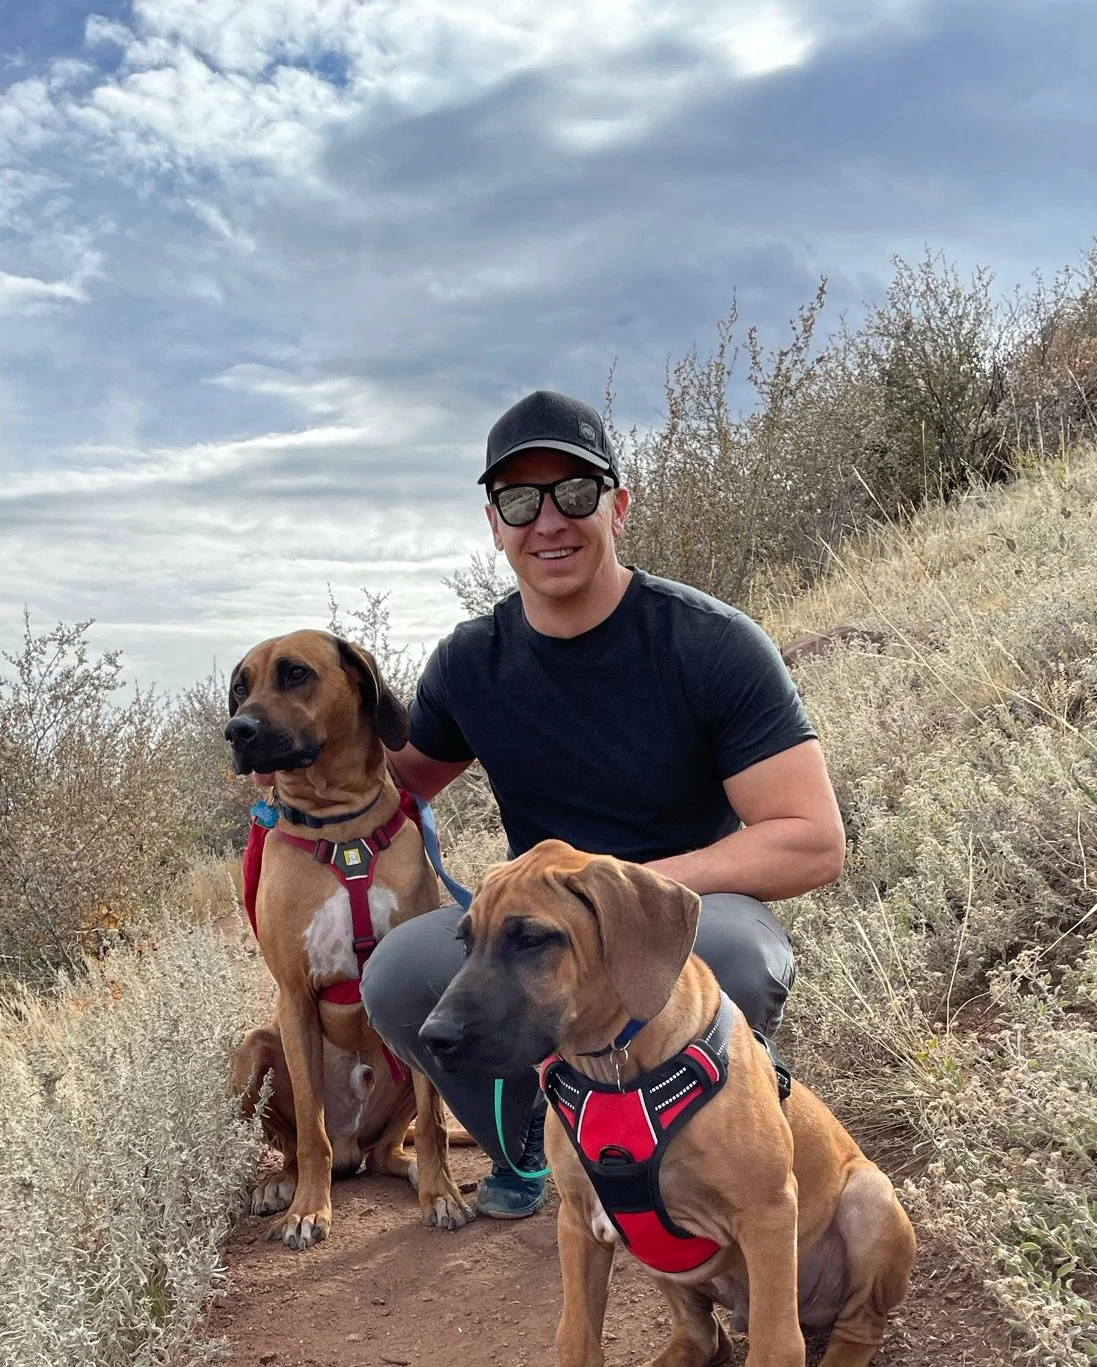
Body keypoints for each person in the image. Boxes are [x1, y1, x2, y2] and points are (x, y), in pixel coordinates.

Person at [361, 388, 846, 1219]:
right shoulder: (471, 663)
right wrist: (307, 734)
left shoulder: (711, 644)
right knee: (402, 972)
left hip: (685, 912)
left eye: (575, 493)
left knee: (730, 951)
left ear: (618, 506)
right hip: (537, 937)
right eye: (520, 500)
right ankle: (538, 1143)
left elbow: (811, 841)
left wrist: (632, 893)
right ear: (495, 524)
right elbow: (399, 782)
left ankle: (712, 1155)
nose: (549, 521)